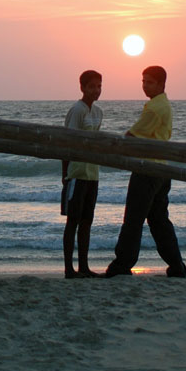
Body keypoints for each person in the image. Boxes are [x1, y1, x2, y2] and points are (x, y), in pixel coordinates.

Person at [105, 65, 186, 278]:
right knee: (159, 220)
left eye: (150, 82)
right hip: (162, 169)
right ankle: (176, 264)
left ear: (161, 84)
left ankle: (122, 264)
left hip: (148, 169)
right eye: (143, 81)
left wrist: (110, 146)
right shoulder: (163, 104)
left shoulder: (155, 109)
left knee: (133, 219)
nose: (145, 86)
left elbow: (132, 136)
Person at [61, 69, 103, 279]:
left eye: (99, 86)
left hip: (92, 173)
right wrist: (65, 174)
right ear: (82, 88)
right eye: (92, 86)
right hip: (77, 172)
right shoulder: (76, 111)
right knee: (73, 221)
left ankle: (84, 267)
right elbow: (67, 142)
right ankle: (69, 269)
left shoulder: (98, 112)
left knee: (87, 221)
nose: (96, 90)